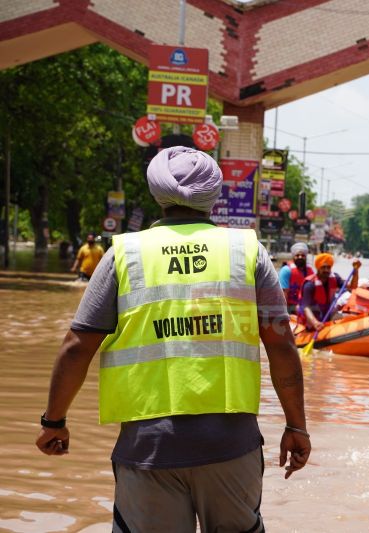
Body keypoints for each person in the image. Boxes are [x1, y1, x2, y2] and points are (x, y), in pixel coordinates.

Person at [36, 146, 310, 532]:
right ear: (212, 195)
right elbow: (281, 344)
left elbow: (77, 347)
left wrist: (54, 421)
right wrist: (296, 426)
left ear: (156, 192)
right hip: (231, 449)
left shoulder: (124, 254)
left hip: (148, 452)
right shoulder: (247, 251)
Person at [299, 253, 360, 330]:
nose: (326, 270)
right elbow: (305, 307)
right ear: (318, 268)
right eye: (323, 267)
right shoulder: (310, 284)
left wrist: (356, 271)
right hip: (312, 317)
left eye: (328, 267)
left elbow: (353, 286)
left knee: (348, 321)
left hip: (328, 313)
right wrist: (315, 323)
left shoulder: (335, 278)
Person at [279, 242, 314, 314]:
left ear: (306, 257)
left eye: (302, 255)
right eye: (297, 255)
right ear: (293, 257)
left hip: (306, 305)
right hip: (290, 306)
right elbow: (283, 293)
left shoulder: (310, 271)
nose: (300, 257)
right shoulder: (286, 270)